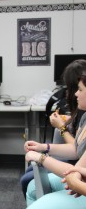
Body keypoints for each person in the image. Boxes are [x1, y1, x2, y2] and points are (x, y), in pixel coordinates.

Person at [11, 72, 86, 209]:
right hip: (80, 183)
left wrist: (41, 157)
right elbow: (76, 154)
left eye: (80, 89)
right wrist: (44, 148)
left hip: (82, 189)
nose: (75, 94)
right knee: (34, 187)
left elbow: (74, 172)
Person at [20, 59, 86, 198]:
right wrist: (42, 147)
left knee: (28, 181)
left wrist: (61, 128)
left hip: (75, 174)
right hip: (76, 171)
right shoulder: (83, 115)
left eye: (78, 89)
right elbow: (76, 148)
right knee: (30, 179)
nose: (72, 93)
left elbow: (75, 166)